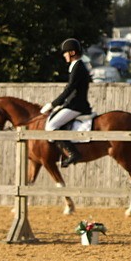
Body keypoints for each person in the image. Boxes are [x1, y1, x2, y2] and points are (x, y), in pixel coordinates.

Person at [41, 38, 92, 167]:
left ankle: (73, 153)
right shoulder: (76, 66)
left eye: (65, 53)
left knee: (51, 126)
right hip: (72, 104)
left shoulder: (78, 67)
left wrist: (53, 104)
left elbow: (70, 89)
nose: (64, 56)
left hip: (76, 106)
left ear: (72, 52)